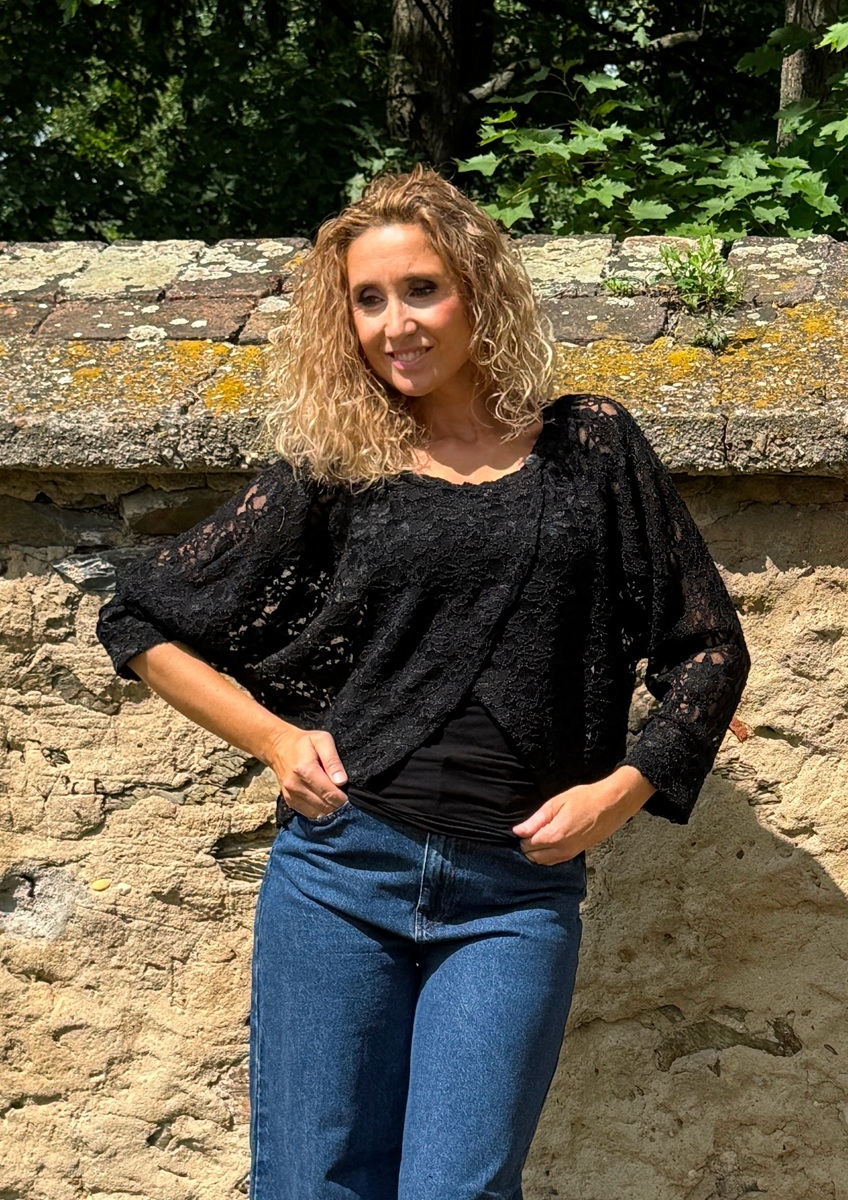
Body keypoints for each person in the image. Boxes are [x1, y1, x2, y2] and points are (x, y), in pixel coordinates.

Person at [96, 166, 750, 1200]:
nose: (394, 324)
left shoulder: (589, 447)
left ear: (477, 291)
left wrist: (618, 794)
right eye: (368, 299)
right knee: (311, 1184)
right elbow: (139, 617)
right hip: (339, 875)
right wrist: (274, 739)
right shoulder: (338, 465)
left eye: (421, 289)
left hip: (512, 898)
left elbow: (707, 648)